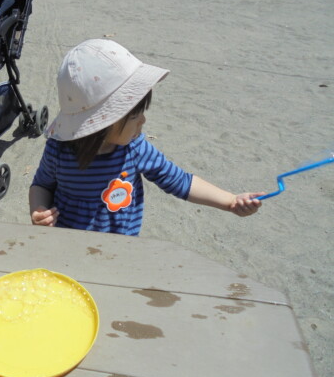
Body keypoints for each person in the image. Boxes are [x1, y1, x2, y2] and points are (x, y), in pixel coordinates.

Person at [29, 39, 265, 236]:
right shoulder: (58, 150)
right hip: (67, 245)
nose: (143, 121)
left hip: (121, 249)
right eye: (134, 116)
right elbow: (42, 185)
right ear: (104, 123)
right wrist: (38, 209)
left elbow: (180, 181)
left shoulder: (135, 149)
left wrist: (230, 201)